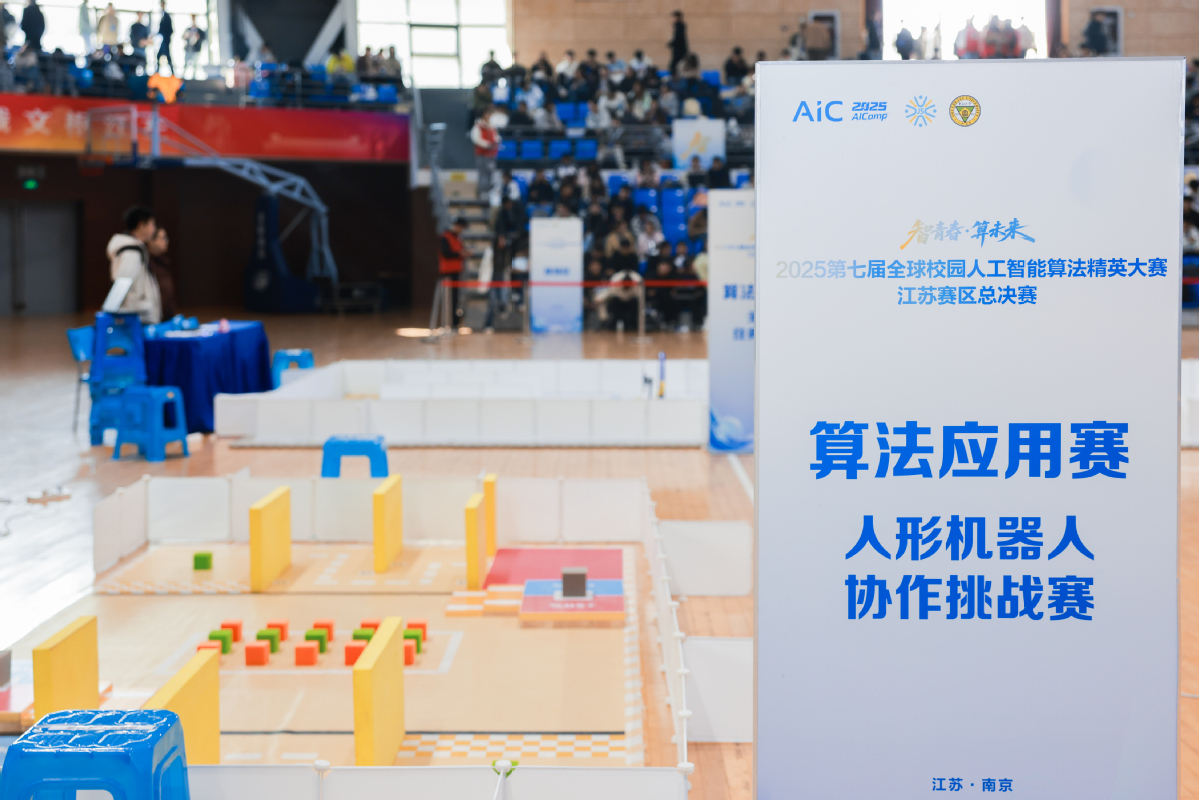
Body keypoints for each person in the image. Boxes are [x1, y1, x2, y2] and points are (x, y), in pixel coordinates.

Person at [107, 206, 161, 324]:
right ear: (141, 225)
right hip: (136, 316)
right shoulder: (131, 252)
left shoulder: (135, 248)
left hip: (137, 314)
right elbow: (123, 282)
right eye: (152, 224)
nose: (154, 229)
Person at [438, 218, 467, 324]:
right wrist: (459, 254)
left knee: (455, 298)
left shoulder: (458, 238)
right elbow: (446, 253)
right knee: (447, 298)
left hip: (456, 271)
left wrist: (464, 253)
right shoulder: (445, 236)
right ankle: (447, 321)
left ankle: (454, 321)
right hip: (447, 271)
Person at [470, 105, 501, 198]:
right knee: (482, 173)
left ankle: (489, 192)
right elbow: (476, 139)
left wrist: (496, 142)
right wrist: (487, 144)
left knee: (490, 173)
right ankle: (482, 192)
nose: (489, 116)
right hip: (482, 154)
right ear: (484, 115)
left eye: (490, 114)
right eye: (487, 114)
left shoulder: (492, 126)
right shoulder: (478, 125)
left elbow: (496, 136)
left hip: (491, 154)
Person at [147, 226, 176, 318]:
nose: (166, 241)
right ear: (151, 241)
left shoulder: (164, 262)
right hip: (154, 318)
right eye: (162, 238)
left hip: (167, 316)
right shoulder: (146, 263)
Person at [667, 9, 688, 75]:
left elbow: (679, 38)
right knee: (675, 65)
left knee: (673, 66)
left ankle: (675, 77)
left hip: (679, 50)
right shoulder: (678, 26)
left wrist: (672, 44)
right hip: (679, 50)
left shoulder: (679, 26)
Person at [155, 1, 173, 74]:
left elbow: (170, 30)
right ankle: (157, 72)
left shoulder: (166, 16)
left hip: (165, 41)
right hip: (162, 40)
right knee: (160, 56)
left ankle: (172, 73)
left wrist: (166, 39)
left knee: (165, 56)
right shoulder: (162, 15)